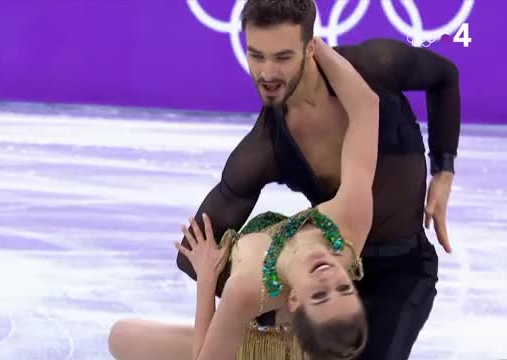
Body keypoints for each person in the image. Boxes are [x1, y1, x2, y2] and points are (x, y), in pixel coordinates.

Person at [175, 1, 459, 359]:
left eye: (282, 56)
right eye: (256, 56)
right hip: (322, 271)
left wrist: (443, 171)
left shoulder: (374, 68)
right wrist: (267, 305)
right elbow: (194, 254)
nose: (266, 73)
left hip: (402, 270)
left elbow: (445, 77)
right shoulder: (266, 148)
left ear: (310, 46)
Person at [108, 35, 379, 360]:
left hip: (252, 352)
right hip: (306, 342)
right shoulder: (351, 224)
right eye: (344, 287)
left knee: (121, 338)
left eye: (320, 295)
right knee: (121, 336)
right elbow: (366, 107)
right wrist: (308, 43)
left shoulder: (247, 289)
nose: (329, 278)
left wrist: (207, 278)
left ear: (294, 302)